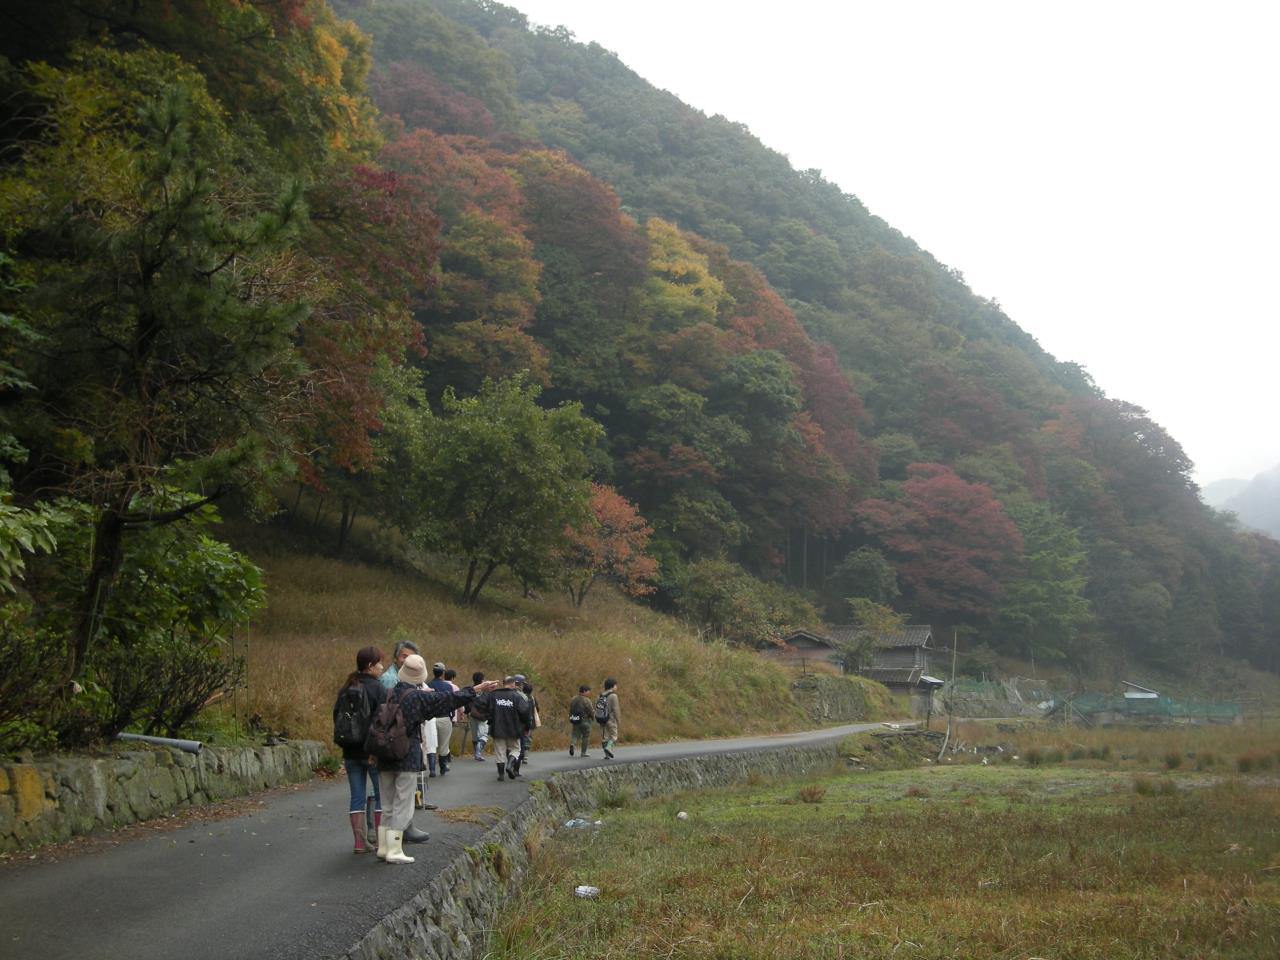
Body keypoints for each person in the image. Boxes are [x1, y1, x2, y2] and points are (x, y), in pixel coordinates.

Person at [376, 655, 499, 864]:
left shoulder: (388, 694)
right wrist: (477, 689)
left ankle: (383, 847)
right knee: (403, 804)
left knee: (387, 803)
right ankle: (395, 850)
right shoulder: (418, 697)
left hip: (384, 753)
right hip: (406, 754)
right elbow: (449, 699)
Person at [331, 646, 386, 853]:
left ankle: (359, 843)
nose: (382, 667)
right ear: (370, 665)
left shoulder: (346, 687)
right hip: (371, 751)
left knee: (357, 796)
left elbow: (337, 716)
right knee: (381, 795)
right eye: (379, 662)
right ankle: (382, 842)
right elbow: (381, 720)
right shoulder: (378, 689)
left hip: (350, 751)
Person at [475, 676, 531, 782]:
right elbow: (525, 713)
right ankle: (510, 765)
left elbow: (479, 704)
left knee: (500, 751)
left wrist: (488, 716)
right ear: (513, 684)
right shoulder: (517, 697)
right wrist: (527, 726)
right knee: (515, 749)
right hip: (514, 729)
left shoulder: (493, 695)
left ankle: (501, 775)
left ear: (503, 683)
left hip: (497, 728)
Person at [427, 662, 454, 776]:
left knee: (431, 744)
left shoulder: (427, 685)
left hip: (430, 718)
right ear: (443, 673)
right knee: (443, 744)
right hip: (444, 718)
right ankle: (443, 767)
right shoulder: (448, 687)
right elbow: (452, 703)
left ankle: (432, 769)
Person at [462, 670, 490, 761]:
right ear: (482, 680)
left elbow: (465, 701)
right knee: (484, 735)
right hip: (483, 716)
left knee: (474, 735)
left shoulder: (470, 690)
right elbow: (489, 703)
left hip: (472, 714)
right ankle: (478, 752)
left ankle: (476, 753)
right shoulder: (485, 691)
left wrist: (467, 712)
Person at [568, 684, 593, 758]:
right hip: (585, 720)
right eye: (588, 691)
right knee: (586, 736)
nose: (589, 693)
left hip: (575, 719)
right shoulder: (587, 700)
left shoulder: (573, 698)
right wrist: (592, 717)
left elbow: (570, 709)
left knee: (575, 734)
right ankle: (583, 752)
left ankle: (572, 744)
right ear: (584, 691)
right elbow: (590, 711)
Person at [600, 677, 621, 759]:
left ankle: (606, 755)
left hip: (602, 719)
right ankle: (609, 748)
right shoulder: (613, 696)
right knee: (614, 736)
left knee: (605, 737)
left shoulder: (601, 695)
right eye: (616, 685)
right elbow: (616, 709)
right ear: (612, 686)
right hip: (611, 719)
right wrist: (618, 720)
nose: (617, 687)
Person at [519, 680, 540, 764]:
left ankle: (519, 755)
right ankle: (525, 757)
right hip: (530, 722)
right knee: (528, 738)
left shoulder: (520, 697)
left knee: (520, 738)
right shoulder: (533, 698)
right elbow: (537, 709)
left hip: (520, 721)